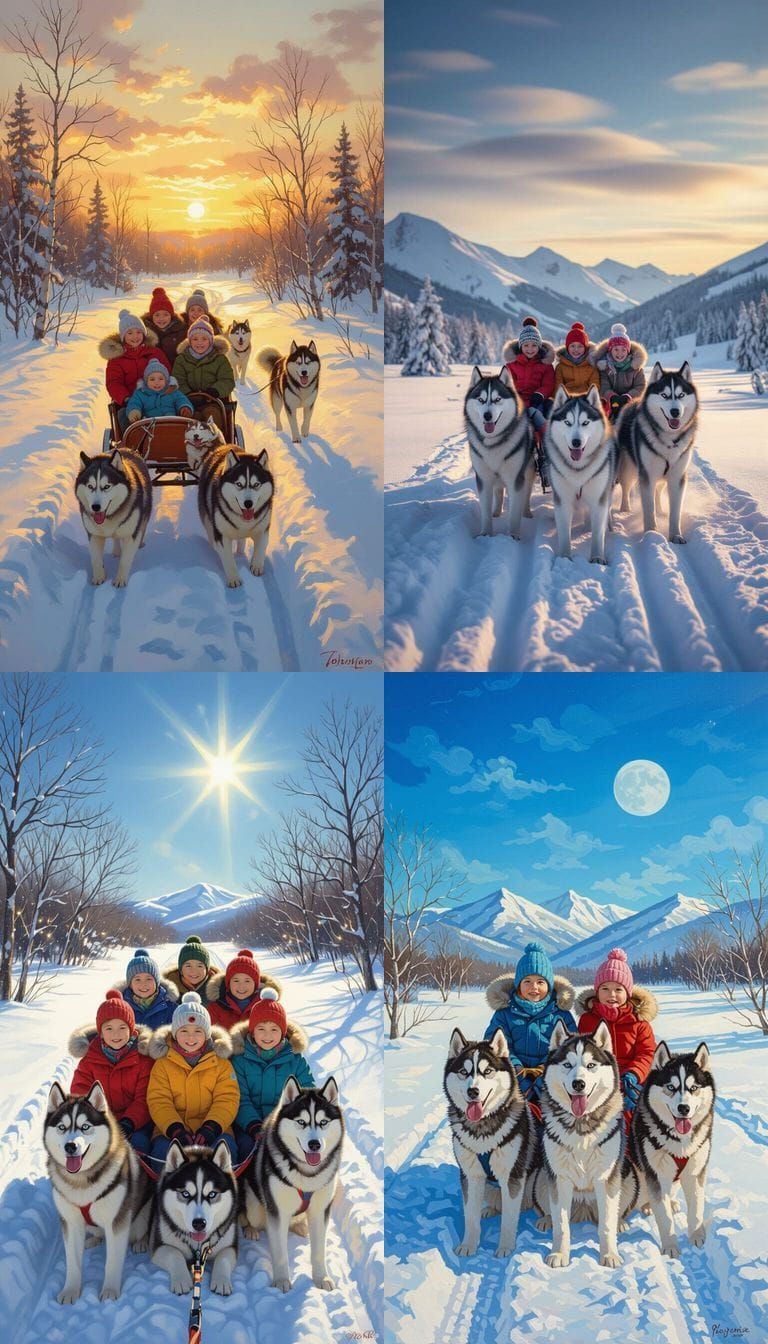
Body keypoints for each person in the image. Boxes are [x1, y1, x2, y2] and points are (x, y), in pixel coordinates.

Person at [146, 991, 239, 1163]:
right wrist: (175, 1128)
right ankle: (162, 1188)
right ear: (174, 1033)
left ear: (207, 1034)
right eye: (184, 1031)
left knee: (227, 1150)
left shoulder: (221, 1063)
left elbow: (227, 1098)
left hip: (215, 1129)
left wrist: (212, 1127)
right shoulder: (163, 1065)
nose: (191, 1037)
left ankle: (226, 1188)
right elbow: (159, 1100)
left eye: (198, 1031)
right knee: (161, 1153)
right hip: (171, 1130)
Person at [484, 941, 577, 1100]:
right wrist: (517, 1070)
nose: (534, 987)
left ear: (549, 985)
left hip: (552, 1078)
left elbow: (570, 1047)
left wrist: (544, 1070)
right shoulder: (504, 1014)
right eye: (527, 981)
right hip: (512, 1079)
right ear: (518, 984)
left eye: (540, 982)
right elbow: (495, 1047)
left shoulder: (561, 1015)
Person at [230, 989, 314, 1162]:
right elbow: (240, 1098)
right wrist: (254, 1126)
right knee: (246, 1148)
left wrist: (286, 1124)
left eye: (274, 1029)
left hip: (285, 1124)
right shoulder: (240, 1060)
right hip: (249, 1126)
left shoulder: (295, 1060)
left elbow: (308, 1095)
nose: (267, 1035)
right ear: (252, 1031)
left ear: (283, 1032)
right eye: (261, 1029)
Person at [69, 989, 154, 1154]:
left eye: (122, 1027)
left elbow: (144, 1098)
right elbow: (81, 1095)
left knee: (138, 1145)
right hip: (100, 1123)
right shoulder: (89, 1061)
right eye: (109, 1028)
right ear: (100, 1032)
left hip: (135, 1123)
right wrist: (101, 1123)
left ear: (131, 1029)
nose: (116, 1034)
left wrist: (128, 1123)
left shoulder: (143, 1059)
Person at [576, 948, 657, 1115]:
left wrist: (634, 1074)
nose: (611, 994)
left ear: (627, 993)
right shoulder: (587, 1020)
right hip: (596, 1081)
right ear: (597, 992)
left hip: (631, 1082)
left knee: (633, 1114)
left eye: (618, 989)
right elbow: (578, 1052)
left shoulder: (639, 1022)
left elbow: (647, 1053)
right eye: (605, 988)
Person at [99, 310, 171, 430]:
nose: (135, 336)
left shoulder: (155, 352)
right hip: (130, 400)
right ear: (123, 336)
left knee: (168, 411)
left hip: (156, 396)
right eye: (130, 333)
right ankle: (132, 444)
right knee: (124, 415)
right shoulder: (117, 359)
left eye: (138, 332)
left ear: (144, 333)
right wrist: (126, 398)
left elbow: (167, 373)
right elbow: (114, 382)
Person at [172, 318, 235, 433]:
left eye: (204, 339)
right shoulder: (181, 359)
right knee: (189, 419)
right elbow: (178, 380)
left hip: (212, 401)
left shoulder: (219, 359)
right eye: (195, 339)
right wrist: (187, 393)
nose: (199, 342)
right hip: (187, 401)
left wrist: (215, 391)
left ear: (210, 341)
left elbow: (227, 380)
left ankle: (216, 444)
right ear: (189, 341)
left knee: (212, 416)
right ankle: (185, 445)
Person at [206, 948, 283, 1031]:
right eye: (236, 980)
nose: (241, 986)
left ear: (256, 984)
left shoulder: (268, 1006)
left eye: (247, 981)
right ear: (228, 984)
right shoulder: (216, 1008)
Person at [589, 323, 647, 422]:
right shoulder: (605, 367)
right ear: (610, 350)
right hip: (610, 402)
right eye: (616, 349)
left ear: (628, 351)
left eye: (623, 350)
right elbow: (603, 386)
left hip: (631, 401)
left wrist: (628, 396)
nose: (619, 353)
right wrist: (611, 396)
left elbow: (640, 386)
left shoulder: (636, 367)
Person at [112, 948, 179, 1029]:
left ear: (157, 982)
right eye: (137, 979)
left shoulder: (170, 1007)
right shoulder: (119, 1007)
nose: (143, 984)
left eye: (149, 979)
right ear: (130, 984)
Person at [125, 359, 194, 423]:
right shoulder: (141, 393)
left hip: (171, 421)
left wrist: (184, 408)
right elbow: (134, 403)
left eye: (161, 379)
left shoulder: (172, 391)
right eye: (152, 379)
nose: (156, 382)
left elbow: (181, 399)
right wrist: (134, 412)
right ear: (146, 381)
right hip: (149, 423)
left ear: (166, 380)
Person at [554, 321, 602, 399]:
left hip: (585, 398)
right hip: (567, 399)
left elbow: (595, 385)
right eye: (572, 346)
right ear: (567, 347)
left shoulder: (591, 365)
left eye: (580, 346)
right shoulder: (560, 367)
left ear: (585, 348)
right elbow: (558, 386)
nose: (576, 350)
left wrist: (588, 398)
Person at [162, 934, 216, 1000]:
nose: (194, 971)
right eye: (188, 966)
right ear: (181, 969)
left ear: (207, 969)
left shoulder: (219, 992)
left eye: (199, 966)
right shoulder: (165, 993)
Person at [142, 287, 187, 364]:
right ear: (151, 316)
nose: (161, 319)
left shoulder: (180, 330)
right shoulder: (144, 331)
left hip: (175, 371)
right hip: (152, 373)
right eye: (157, 315)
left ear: (171, 315)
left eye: (166, 315)